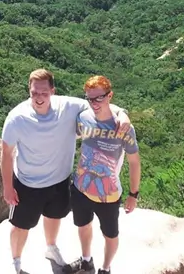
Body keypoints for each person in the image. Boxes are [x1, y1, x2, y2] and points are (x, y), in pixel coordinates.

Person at [1, 68, 131, 274]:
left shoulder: (68, 106)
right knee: (20, 225)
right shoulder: (17, 117)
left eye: (44, 92)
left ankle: (51, 249)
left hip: (60, 181)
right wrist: (8, 187)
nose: (39, 97)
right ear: (29, 90)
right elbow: (6, 153)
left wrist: (122, 113)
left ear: (53, 91)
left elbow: (99, 103)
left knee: (54, 216)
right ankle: (15, 263)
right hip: (28, 183)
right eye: (34, 92)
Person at [63, 75, 140, 274]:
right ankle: (86, 260)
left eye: (99, 98)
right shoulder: (83, 117)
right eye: (90, 98)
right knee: (82, 225)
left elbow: (134, 162)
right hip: (80, 187)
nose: (94, 103)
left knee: (110, 235)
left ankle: (105, 269)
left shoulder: (123, 128)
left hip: (109, 194)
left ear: (110, 96)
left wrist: (133, 194)